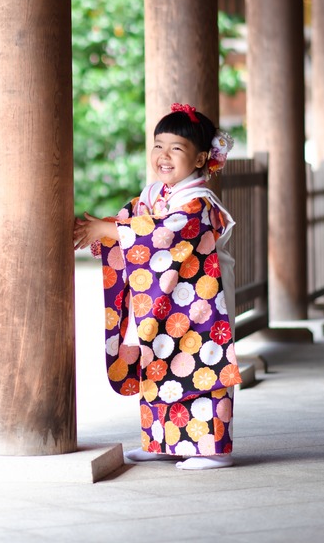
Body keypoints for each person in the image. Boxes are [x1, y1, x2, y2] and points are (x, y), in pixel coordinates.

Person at [73, 103, 239, 470]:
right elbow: (131, 219)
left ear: (200, 159)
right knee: (158, 360)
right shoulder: (156, 194)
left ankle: (211, 448)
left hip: (203, 299)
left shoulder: (197, 202)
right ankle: (162, 440)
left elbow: (164, 232)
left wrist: (113, 232)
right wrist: (103, 228)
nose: (163, 156)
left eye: (176, 148)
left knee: (200, 365)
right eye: (158, 145)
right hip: (167, 296)